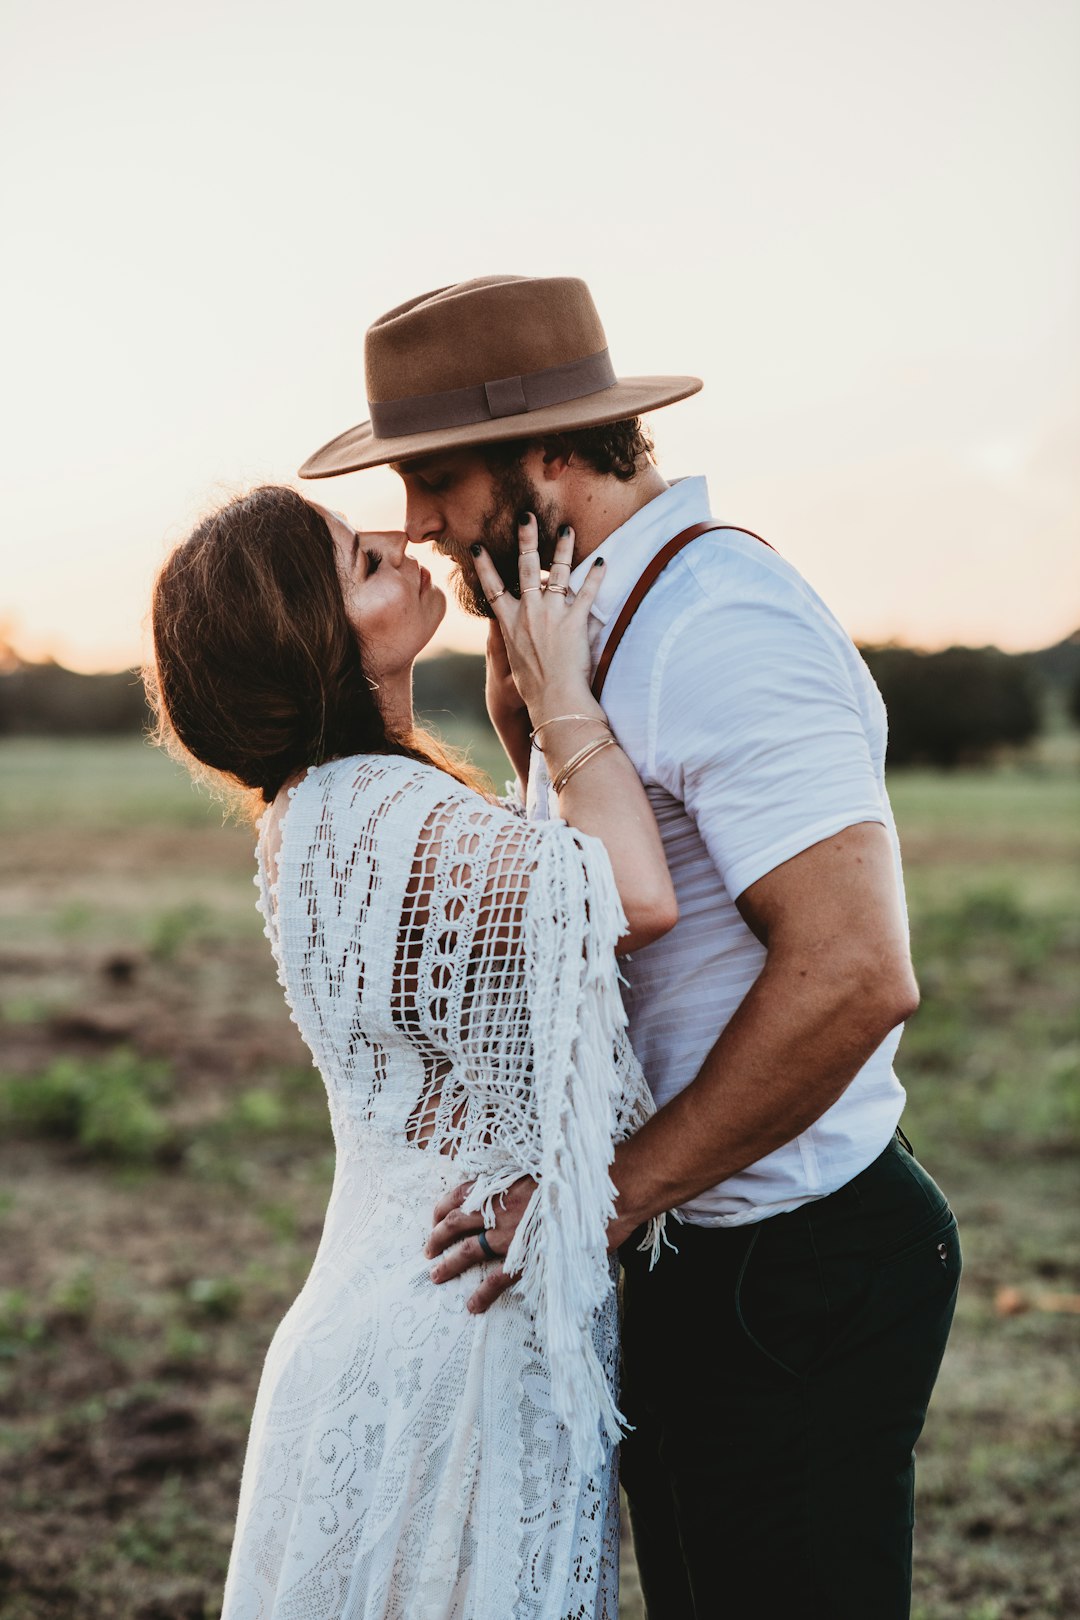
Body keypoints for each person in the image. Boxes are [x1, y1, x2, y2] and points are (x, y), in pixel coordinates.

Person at [299, 273, 963, 1619]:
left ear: (552, 450)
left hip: (790, 1264)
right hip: (692, 1244)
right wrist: (527, 724)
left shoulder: (718, 622)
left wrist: (605, 1198)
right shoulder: (586, 625)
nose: (416, 523)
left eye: (437, 478)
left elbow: (854, 973)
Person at [146, 483, 680, 1619]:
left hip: (390, 1306)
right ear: (320, 641)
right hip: (459, 1326)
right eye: (358, 561)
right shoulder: (386, 811)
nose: (397, 539)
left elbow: (506, 941)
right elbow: (633, 894)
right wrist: (564, 690)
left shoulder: (322, 809)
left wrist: (514, 716)